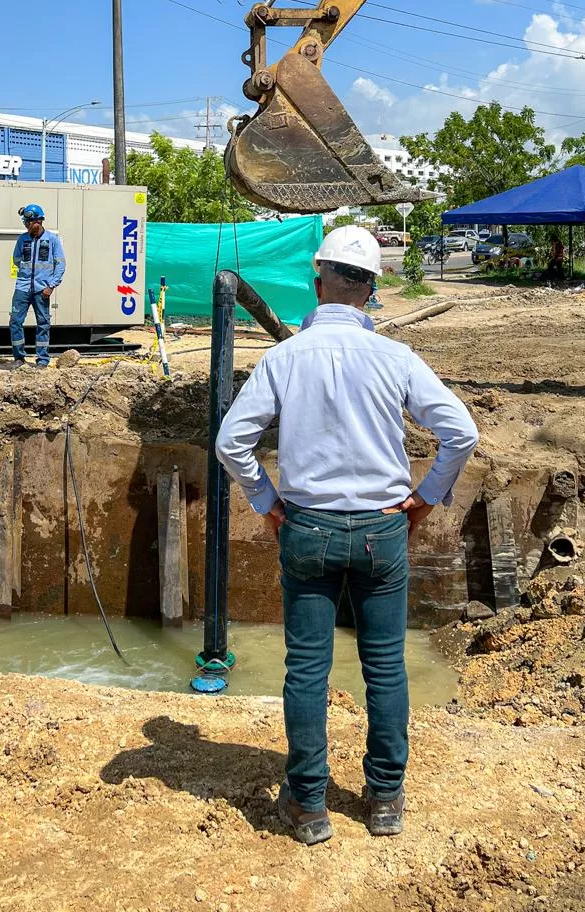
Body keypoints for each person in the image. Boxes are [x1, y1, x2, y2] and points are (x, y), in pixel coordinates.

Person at [215, 225, 479, 845]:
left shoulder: (285, 358)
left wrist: (267, 500)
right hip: (382, 530)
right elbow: (461, 433)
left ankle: (308, 807)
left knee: (307, 669)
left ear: (318, 282)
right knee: (385, 666)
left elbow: (232, 442)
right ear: (370, 289)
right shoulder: (395, 358)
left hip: (306, 526)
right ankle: (385, 800)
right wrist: (422, 500)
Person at [6, 203, 65, 369]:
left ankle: (42, 360)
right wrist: (26, 271)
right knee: (15, 322)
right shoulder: (22, 239)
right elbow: (16, 259)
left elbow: (60, 265)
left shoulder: (52, 240)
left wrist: (51, 285)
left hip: (42, 290)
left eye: (27, 222)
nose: (26, 225)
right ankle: (19, 357)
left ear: (37, 222)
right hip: (22, 288)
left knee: (43, 323)